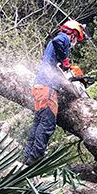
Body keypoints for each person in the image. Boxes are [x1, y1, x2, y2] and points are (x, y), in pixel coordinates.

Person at [23, 19, 84, 165]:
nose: (75, 42)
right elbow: (58, 42)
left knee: (38, 122)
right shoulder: (63, 38)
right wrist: (65, 62)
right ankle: (35, 160)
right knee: (48, 124)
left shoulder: (55, 46)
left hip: (39, 86)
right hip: (47, 88)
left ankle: (27, 157)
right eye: (76, 38)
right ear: (73, 34)